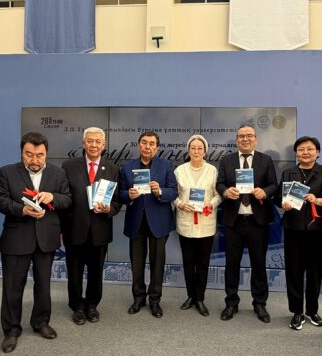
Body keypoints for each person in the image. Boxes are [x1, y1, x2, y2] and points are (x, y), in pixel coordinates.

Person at [0, 132, 71, 353]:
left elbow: (68, 199)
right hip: (16, 237)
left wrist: (53, 197)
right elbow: (0, 200)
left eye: (39, 155)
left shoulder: (58, 173)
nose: (34, 160)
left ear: (46, 153)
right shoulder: (7, 172)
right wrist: (22, 210)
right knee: (12, 287)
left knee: (43, 285)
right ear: (22, 153)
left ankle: (41, 322)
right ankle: (11, 330)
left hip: (46, 238)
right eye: (29, 154)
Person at [274, 136, 322, 331]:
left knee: (315, 271)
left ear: (317, 152)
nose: (305, 152)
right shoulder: (288, 173)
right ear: (296, 153)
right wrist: (283, 203)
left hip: (318, 228)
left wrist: (319, 200)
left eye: (310, 149)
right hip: (293, 228)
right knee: (293, 271)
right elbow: (277, 198)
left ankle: (312, 310)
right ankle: (296, 311)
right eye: (301, 149)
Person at [216, 125, 278, 323]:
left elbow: (273, 184)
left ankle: (259, 303)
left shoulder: (265, 160)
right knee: (231, 264)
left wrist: (265, 192)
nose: (245, 139)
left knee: (258, 264)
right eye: (241, 136)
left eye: (249, 136)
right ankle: (231, 303)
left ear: (255, 139)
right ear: (236, 140)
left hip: (257, 221)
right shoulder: (226, 160)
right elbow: (219, 184)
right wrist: (225, 192)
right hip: (233, 221)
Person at [61, 127, 121, 325]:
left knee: (96, 272)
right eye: (90, 141)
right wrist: (62, 228)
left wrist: (109, 209)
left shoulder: (112, 168)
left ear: (104, 145)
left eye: (98, 141)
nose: (94, 145)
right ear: (83, 143)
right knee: (74, 272)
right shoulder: (68, 166)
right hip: (74, 229)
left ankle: (92, 305)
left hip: (100, 230)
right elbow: (63, 198)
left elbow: (117, 201)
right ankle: (77, 306)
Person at [119, 131, 177, 318]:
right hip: (136, 222)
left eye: (152, 144)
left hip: (158, 222)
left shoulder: (166, 165)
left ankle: (155, 300)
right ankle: (138, 298)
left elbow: (173, 191)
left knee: (157, 263)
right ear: (138, 145)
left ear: (157, 148)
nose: (147, 146)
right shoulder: (127, 167)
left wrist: (160, 191)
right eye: (144, 143)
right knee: (136, 263)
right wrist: (128, 195)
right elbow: (120, 194)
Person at [173, 135, 221, 316]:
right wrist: (180, 204)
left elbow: (218, 194)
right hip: (185, 222)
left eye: (200, 148)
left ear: (205, 151)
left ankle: (200, 298)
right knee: (188, 262)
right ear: (188, 150)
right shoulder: (179, 170)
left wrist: (211, 204)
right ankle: (190, 296)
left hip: (205, 223)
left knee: (202, 262)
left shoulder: (212, 171)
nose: (196, 151)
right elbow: (173, 194)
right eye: (193, 148)